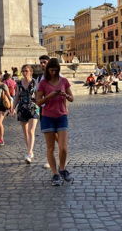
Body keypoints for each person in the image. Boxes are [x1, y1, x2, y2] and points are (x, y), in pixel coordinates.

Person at [36, 58, 74, 186]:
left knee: (63, 147)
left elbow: (72, 98)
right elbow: (38, 101)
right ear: (48, 70)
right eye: (51, 70)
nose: (53, 73)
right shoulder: (43, 83)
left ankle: (62, 168)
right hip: (47, 117)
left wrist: (66, 96)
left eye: (55, 70)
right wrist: (49, 96)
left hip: (62, 115)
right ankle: (55, 174)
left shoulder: (64, 81)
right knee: (51, 147)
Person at [14, 65, 40, 163]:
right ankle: (30, 150)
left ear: (31, 72)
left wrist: (41, 105)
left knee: (31, 131)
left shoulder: (35, 82)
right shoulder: (19, 83)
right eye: (23, 71)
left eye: (26, 71)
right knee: (25, 132)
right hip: (22, 108)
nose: (25, 73)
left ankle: (29, 153)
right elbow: (17, 96)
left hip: (33, 108)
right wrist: (13, 107)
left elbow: (38, 96)